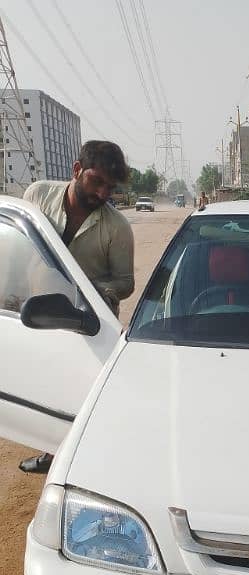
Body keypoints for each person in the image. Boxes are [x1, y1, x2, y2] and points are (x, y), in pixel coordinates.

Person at [19, 140, 135, 474]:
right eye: (96, 182)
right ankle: (51, 450)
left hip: (86, 323)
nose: (102, 194)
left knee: (81, 393)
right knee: (42, 385)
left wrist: (95, 291)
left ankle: (80, 461)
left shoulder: (117, 228)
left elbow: (125, 283)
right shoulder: (37, 196)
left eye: (109, 188)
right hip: (37, 313)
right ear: (76, 170)